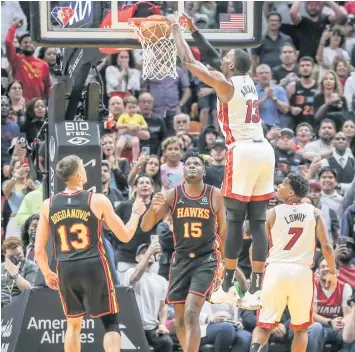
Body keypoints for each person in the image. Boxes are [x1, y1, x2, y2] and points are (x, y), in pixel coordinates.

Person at [166, 14, 275, 310]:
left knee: (236, 220)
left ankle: (227, 285)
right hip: (264, 149)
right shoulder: (246, 79)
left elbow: (191, 63)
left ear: (230, 67)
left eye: (225, 58)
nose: (222, 58)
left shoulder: (226, 85)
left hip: (242, 151)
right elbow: (215, 57)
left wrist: (177, 30)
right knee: (259, 220)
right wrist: (196, 30)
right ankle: (255, 289)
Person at [35, 155, 146, 352]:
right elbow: (126, 236)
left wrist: (46, 272)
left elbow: (38, 250)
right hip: (95, 265)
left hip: (66, 266)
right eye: (83, 168)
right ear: (79, 175)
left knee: (73, 324)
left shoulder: (48, 205)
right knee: (110, 323)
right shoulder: (97, 200)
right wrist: (136, 212)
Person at [141, 152, 227, 352]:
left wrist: (223, 261)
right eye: (188, 164)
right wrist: (152, 209)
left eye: (197, 164)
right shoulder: (172, 194)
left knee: (191, 313)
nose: (192, 166)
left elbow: (224, 230)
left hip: (206, 260)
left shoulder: (215, 194)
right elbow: (146, 226)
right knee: (179, 320)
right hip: (180, 260)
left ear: (204, 171)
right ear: (182, 170)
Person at [249, 173, 337, 352]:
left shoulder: (271, 213)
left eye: (282, 184)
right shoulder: (315, 212)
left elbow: (255, 248)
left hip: (275, 270)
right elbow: (326, 246)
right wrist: (333, 272)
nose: (278, 187)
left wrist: (256, 272)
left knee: (264, 325)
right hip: (302, 273)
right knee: (301, 328)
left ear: (290, 192)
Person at [125, 242, 174, 352]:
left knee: (166, 342)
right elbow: (135, 278)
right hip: (134, 326)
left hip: (152, 327)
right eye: (143, 253)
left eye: (151, 253)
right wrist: (149, 252)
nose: (149, 254)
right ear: (137, 258)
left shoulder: (161, 281)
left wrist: (162, 325)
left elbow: (163, 306)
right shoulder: (130, 272)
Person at [1, 237, 38, 307]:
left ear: (23, 251)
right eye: (11, 256)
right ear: (4, 255)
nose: (15, 258)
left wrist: (15, 274)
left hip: (19, 306)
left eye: (18, 255)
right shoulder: (1, 267)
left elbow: (30, 292)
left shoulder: (31, 266)